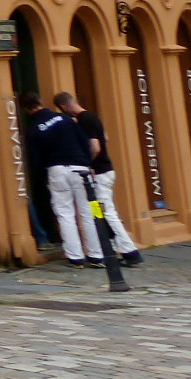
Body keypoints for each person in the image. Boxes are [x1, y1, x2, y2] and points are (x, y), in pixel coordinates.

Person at [58, 91, 143, 267]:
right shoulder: (91, 117)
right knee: (99, 211)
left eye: (61, 109)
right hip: (106, 171)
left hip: (101, 173)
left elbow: (95, 146)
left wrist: (87, 164)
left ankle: (130, 251)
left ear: (65, 106)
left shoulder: (84, 120)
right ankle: (111, 248)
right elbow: (105, 138)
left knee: (107, 212)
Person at [21, 91, 102, 267]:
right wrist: (87, 163)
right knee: (87, 212)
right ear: (40, 101)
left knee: (65, 214)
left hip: (56, 169)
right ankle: (96, 255)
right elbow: (83, 141)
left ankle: (75, 257)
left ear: (26, 109)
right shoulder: (64, 119)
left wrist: (43, 176)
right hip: (80, 167)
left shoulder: (33, 129)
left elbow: (35, 160)